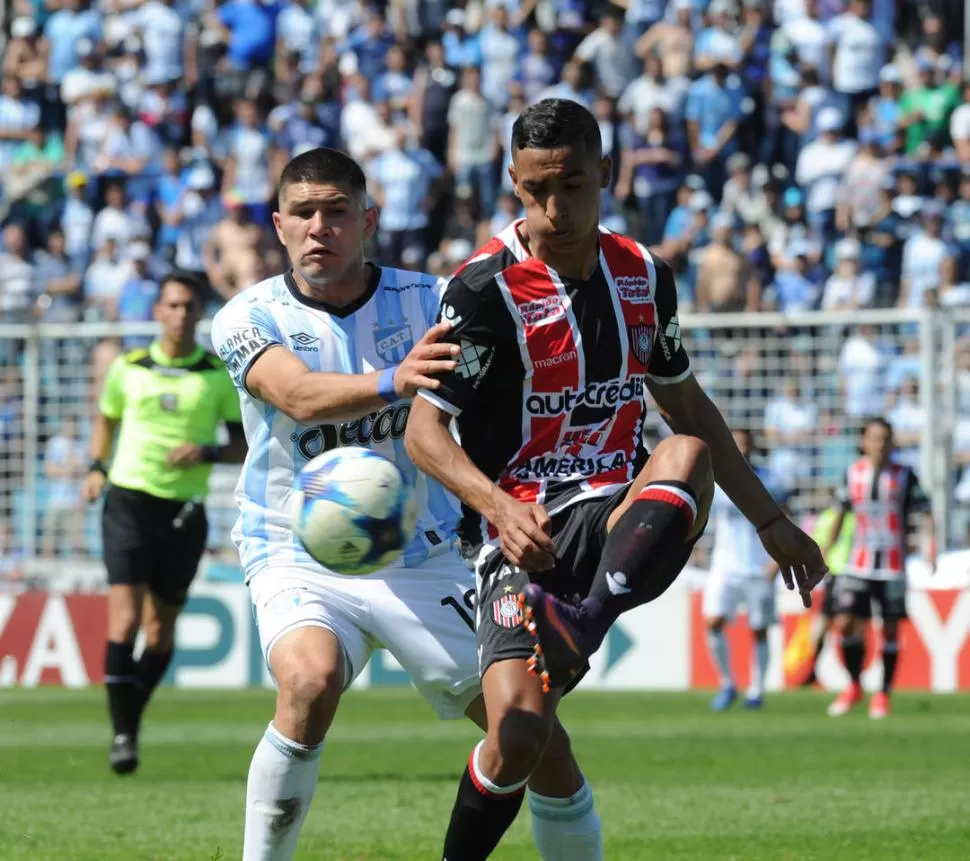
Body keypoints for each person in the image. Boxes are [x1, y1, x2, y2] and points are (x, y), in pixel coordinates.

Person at [404, 98, 827, 861]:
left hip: (615, 519)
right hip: (518, 535)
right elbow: (422, 431)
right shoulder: (479, 290)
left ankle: (584, 622)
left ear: (607, 173)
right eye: (534, 191)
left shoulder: (643, 276)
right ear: (512, 181)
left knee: (687, 452)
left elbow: (686, 403)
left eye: (571, 186)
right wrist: (498, 506)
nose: (553, 210)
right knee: (521, 735)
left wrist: (771, 520)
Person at [209, 148, 602, 861]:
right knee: (309, 678)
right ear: (279, 224)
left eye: (336, 211)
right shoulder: (247, 315)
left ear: (369, 220)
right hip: (296, 546)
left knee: (533, 734)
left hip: (425, 552)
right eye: (303, 213)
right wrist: (395, 377)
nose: (319, 227)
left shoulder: (433, 301)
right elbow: (296, 394)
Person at [82, 271, 247, 774]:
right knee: (125, 619)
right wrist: (96, 466)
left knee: (159, 635)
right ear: (157, 311)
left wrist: (206, 450)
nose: (179, 315)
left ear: (199, 314)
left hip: (183, 513)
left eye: (188, 307)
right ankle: (124, 735)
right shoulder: (128, 369)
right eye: (171, 305)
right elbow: (106, 419)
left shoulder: (216, 377)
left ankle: (128, 716)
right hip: (128, 500)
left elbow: (242, 444)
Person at [821, 418, 935, 719]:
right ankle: (855, 685)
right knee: (845, 623)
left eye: (885, 438)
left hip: (892, 565)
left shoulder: (905, 475)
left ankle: (883, 693)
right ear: (864, 442)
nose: (880, 444)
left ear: (892, 442)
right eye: (874, 438)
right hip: (857, 562)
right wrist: (826, 550)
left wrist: (929, 548)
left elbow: (926, 511)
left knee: (890, 628)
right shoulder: (853, 473)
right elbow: (840, 513)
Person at [703, 429, 789, 711]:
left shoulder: (771, 480)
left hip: (759, 566)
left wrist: (777, 560)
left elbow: (786, 518)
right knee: (713, 621)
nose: (740, 448)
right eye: (735, 443)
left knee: (759, 630)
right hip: (725, 565)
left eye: (745, 443)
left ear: (752, 447)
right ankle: (727, 683)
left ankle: (756, 690)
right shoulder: (717, 479)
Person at [798, 501, 857, 688]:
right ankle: (817, 670)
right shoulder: (837, 517)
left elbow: (818, 546)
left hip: (844, 572)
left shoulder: (828, 517)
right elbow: (821, 546)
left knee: (838, 623)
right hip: (841, 572)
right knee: (835, 623)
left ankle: (850, 677)